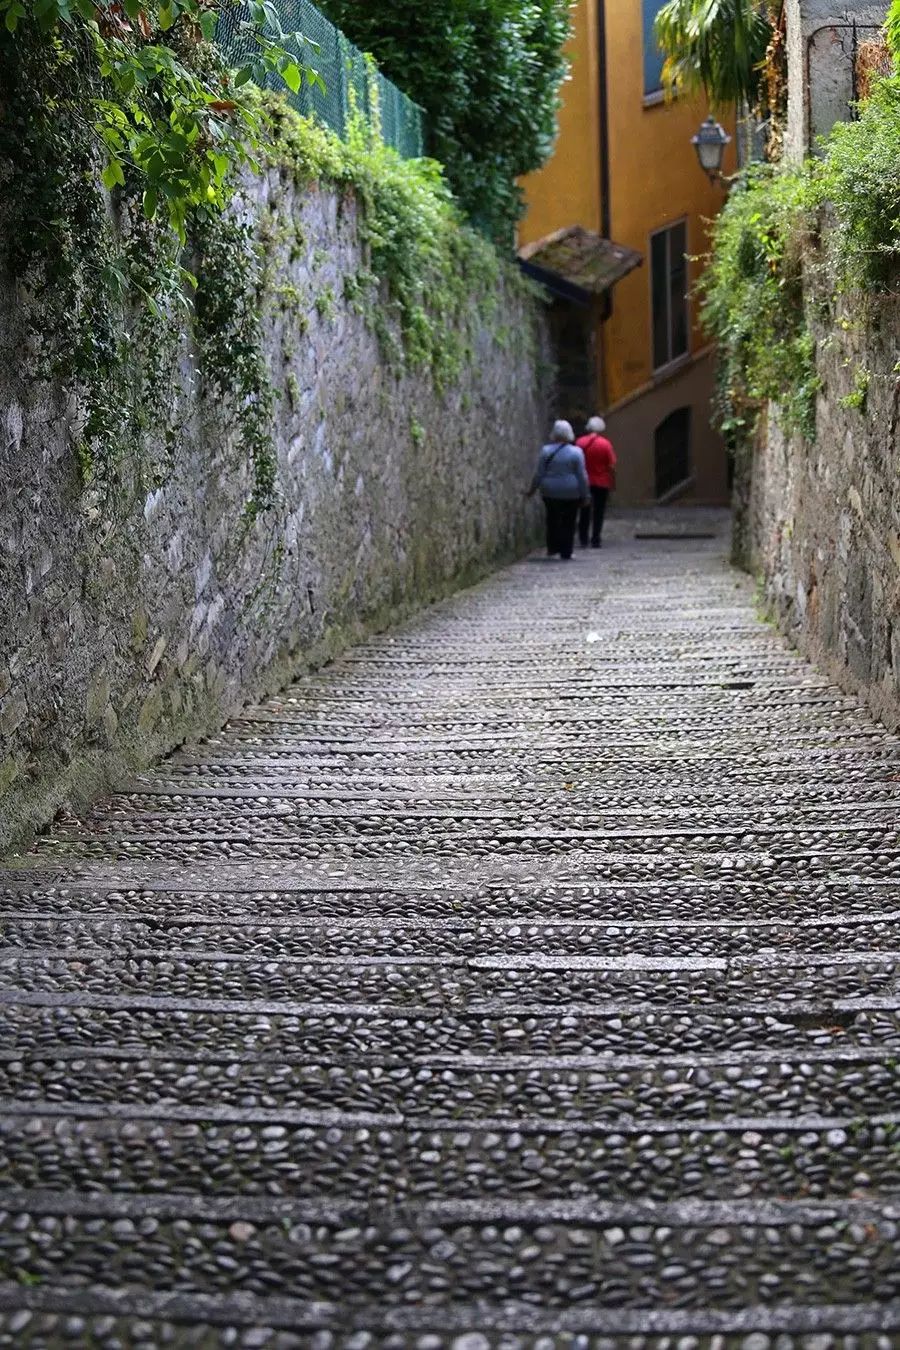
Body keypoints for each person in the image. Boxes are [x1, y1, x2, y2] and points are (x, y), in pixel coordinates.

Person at [526, 420, 589, 561]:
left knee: (552, 518)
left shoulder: (546, 451)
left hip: (550, 491)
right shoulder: (577, 452)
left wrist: (532, 490)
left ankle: (553, 548)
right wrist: (585, 495)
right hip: (571, 492)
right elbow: (581, 475)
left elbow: (539, 473)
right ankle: (566, 551)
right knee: (569, 521)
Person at [576, 416, 617, 548]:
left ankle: (583, 538)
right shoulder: (605, 444)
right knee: (599, 512)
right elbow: (611, 466)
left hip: (584, 482)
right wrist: (613, 482)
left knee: (584, 510)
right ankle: (596, 538)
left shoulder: (579, 442)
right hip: (601, 482)